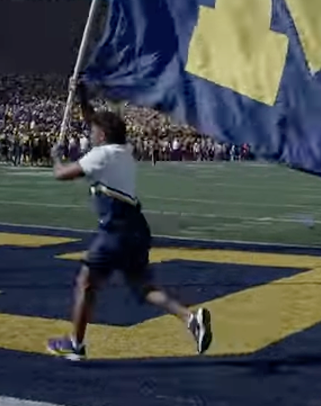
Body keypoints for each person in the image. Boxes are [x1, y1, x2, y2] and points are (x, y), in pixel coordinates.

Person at [45, 81, 211, 361]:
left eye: (94, 131)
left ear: (103, 135)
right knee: (144, 287)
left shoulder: (101, 155)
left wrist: (56, 158)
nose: (90, 132)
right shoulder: (125, 151)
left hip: (116, 229)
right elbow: (93, 119)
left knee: (86, 282)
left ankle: (76, 344)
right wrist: (82, 95)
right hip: (137, 228)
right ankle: (190, 318)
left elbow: (61, 174)